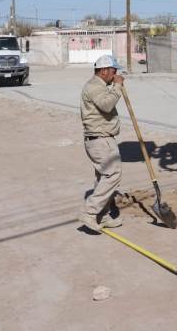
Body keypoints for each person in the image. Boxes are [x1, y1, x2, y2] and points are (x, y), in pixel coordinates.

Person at [79, 55, 125, 232]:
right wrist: (118, 86)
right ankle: (90, 212)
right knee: (113, 175)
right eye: (114, 71)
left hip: (102, 138)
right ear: (104, 70)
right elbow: (106, 105)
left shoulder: (100, 86)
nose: (115, 75)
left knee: (102, 177)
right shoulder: (94, 87)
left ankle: (102, 215)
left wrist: (115, 86)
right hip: (100, 139)